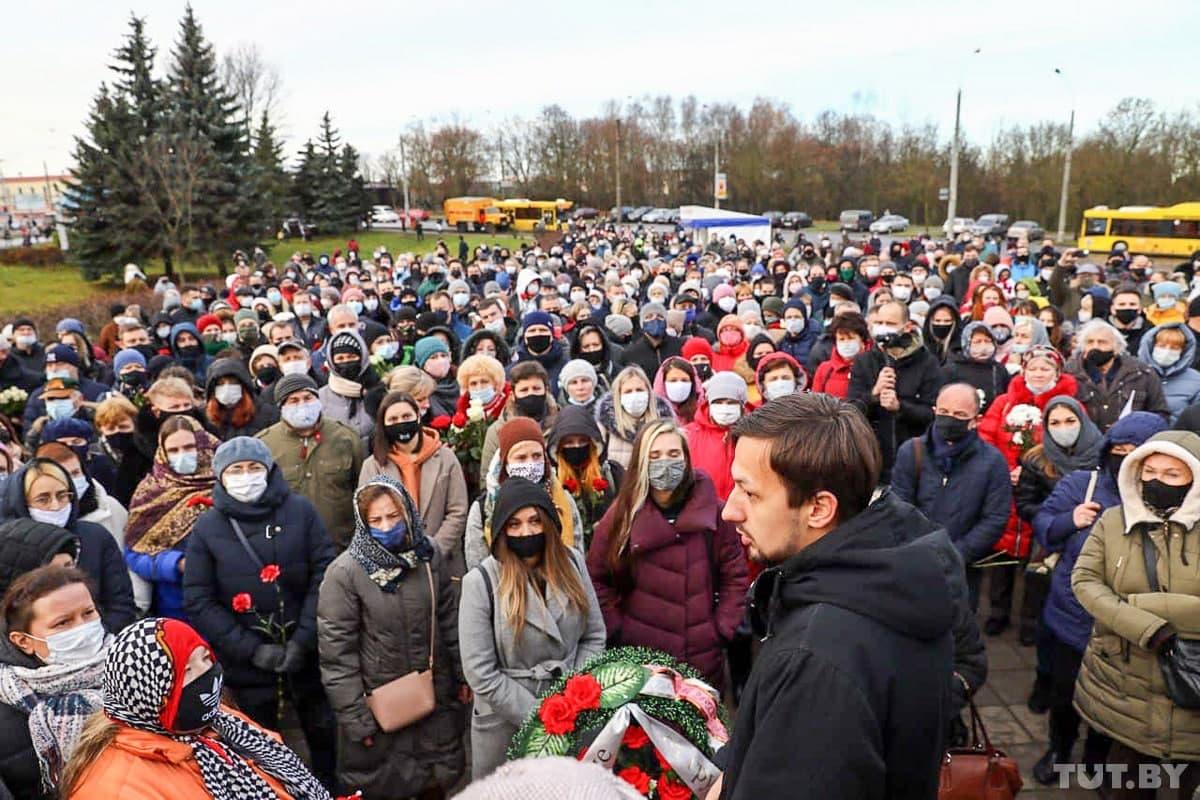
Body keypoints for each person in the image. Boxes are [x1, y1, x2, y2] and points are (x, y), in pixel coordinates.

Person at [716, 393, 956, 799]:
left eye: (749, 492)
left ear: (818, 509)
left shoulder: (816, 661)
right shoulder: (897, 576)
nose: (730, 510)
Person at [183, 436, 338, 789]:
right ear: (221, 477)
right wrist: (252, 650)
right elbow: (199, 599)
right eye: (236, 470)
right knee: (262, 746)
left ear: (269, 471)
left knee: (322, 733)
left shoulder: (301, 512)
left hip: (307, 657)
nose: (246, 476)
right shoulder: (209, 528)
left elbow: (324, 572)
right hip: (248, 668)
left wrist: (303, 639)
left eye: (254, 468)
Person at [1027, 411, 1165, 784]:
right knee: (1064, 692)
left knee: (1112, 701)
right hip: (1071, 616)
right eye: (1118, 449)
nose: (1125, 457)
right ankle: (1059, 748)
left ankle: (1097, 759)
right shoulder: (1081, 485)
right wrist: (1069, 519)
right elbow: (1044, 528)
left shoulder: (1167, 499)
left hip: (1125, 626)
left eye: (1135, 450)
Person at [59, 617, 334, 799]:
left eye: (205, 657)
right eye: (187, 670)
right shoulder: (117, 789)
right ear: (148, 692)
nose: (208, 674)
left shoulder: (215, 720)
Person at [317, 476, 466, 798]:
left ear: (408, 513)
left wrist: (461, 678)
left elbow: (448, 621)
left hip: (434, 702)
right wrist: (357, 720)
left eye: (393, 516)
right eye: (376, 520)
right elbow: (336, 655)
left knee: (436, 784)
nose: (386, 526)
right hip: (380, 710)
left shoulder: (428, 557)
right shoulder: (345, 574)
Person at [1072, 428, 1200, 798]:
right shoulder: (1113, 521)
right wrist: (1143, 626)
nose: (1157, 481)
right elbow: (1085, 582)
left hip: (1192, 688)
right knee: (1128, 785)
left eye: (1172, 474)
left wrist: (1140, 606)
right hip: (1125, 685)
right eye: (1150, 471)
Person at [458, 477, 606, 780]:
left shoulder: (573, 563)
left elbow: (594, 635)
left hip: (573, 711)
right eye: (514, 524)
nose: (526, 532)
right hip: (508, 723)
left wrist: (569, 698)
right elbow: (480, 673)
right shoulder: (481, 583)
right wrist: (542, 715)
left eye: (534, 521)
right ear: (502, 530)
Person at [588, 420, 747, 689]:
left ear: (686, 458)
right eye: (655, 455)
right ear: (641, 462)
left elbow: (735, 576)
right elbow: (596, 578)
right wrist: (618, 628)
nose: (665, 462)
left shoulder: (714, 513)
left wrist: (721, 628)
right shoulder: (621, 516)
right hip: (643, 665)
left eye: (674, 454)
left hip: (702, 661)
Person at [976, 346, 1078, 635]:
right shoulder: (1004, 403)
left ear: (1057, 373)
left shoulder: (1068, 406)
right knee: (1001, 553)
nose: (1038, 373)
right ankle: (998, 611)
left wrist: (1038, 471)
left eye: (1046, 368)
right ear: (1023, 370)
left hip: (1044, 491)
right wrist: (1004, 470)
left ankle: (1031, 619)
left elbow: (1072, 446)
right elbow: (986, 438)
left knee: (1038, 560)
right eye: (1033, 367)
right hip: (1005, 488)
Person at [891, 383, 1012, 610]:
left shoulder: (993, 462)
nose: (949, 419)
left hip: (962, 570)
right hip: (913, 562)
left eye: (959, 415)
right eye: (944, 412)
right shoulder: (912, 451)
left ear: (976, 420)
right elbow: (899, 506)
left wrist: (955, 554)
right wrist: (917, 551)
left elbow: (995, 518)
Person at [0, 565, 107, 792]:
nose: (83, 627)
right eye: (63, 622)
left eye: (88, 613)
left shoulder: (136, 667)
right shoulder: (10, 703)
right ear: (23, 641)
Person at [1, 460, 136, 632]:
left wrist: (95, 640)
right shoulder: (7, 546)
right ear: (20, 502)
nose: (56, 506)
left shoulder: (95, 536)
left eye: (62, 495)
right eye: (43, 499)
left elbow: (120, 603)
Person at [358, 392, 469, 580]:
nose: (400, 422)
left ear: (418, 416)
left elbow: (457, 511)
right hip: (395, 564)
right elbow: (367, 517)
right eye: (393, 419)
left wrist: (434, 549)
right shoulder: (373, 466)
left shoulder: (446, 458)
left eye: (406, 416)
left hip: (444, 563)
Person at [124, 415, 218, 620]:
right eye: (173, 451)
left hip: (229, 597)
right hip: (177, 605)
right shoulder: (150, 493)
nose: (182, 455)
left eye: (189, 447)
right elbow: (134, 553)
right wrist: (176, 564)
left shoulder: (226, 483)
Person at [257, 374, 364, 550]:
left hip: (342, 546)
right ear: (282, 407)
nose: (302, 405)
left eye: (308, 398)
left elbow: (362, 492)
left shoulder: (345, 437)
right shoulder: (265, 445)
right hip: (289, 548)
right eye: (293, 400)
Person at [464, 417, 583, 570]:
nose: (531, 464)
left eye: (536, 456)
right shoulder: (483, 509)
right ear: (505, 462)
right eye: (521, 458)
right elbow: (477, 566)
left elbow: (578, 556)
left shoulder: (563, 500)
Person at [1068, 319, 1169, 432]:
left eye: (1102, 342)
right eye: (1090, 342)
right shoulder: (1069, 373)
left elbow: (1160, 414)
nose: (1095, 346)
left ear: (1116, 348)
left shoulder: (1143, 373)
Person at [548, 405, 622, 552]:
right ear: (558, 447)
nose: (576, 447)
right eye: (569, 442)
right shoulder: (551, 482)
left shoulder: (612, 474)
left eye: (582, 441)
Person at [478, 361, 559, 474]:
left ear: (546, 390)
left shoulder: (561, 425)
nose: (531, 394)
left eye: (536, 388)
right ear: (513, 395)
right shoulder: (498, 430)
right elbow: (487, 477)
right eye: (524, 390)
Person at [594, 365, 673, 470]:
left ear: (649, 392)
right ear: (619, 396)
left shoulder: (665, 424)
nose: (634, 395)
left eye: (639, 390)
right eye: (628, 391)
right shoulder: (605, 425)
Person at [319, 329, 380, 444]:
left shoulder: (379, 390)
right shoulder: (321, 397)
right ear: (332, 362)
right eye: (340, 358)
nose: (346, 361)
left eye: (351, 356)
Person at [1137, 322, 1200, 423]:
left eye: (1174, 348)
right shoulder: (1132, 373)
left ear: (1183, 351)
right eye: (1161, 346)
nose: (1167, 351)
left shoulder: (1196, 381)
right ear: (1151, 346)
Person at [202, 358, 279, 440]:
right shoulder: (205, 418)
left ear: (244, 386)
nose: (227, 387)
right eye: (220, 384)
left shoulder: (268, 414)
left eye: (233, 383)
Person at [942, 322, 1011, 413]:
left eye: (987, 341)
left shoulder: (999, 369)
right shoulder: (952, 369)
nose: (983, 346)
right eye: (977, 342)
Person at [811, 312, 870, 399]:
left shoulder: (873, 366)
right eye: (841, 339)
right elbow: (815, 402)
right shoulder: (825, 369)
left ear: (862, 340)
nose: (846, 343)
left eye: (851, 338)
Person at [652, 356, 703, 425]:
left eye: (684, 380)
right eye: (673, 380)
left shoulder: (704, 412)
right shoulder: (653, 414)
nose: (679, 385)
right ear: (662, 383)